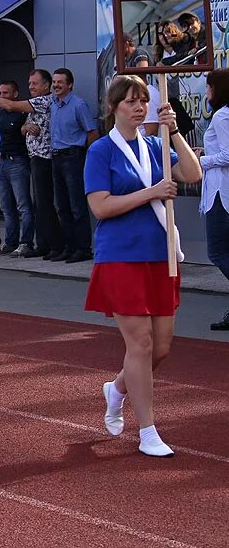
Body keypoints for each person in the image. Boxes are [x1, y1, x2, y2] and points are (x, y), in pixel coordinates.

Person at [84, 75, 200, 457]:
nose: (138, 107)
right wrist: (151, 192)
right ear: (113, 106)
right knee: (141, 342)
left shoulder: (156, 145)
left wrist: (175, 131)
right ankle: (148, 429)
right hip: (120, 256)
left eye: (143, 101)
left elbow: (192, 174)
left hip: (160, 254)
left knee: (161, 348)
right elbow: (100, 206)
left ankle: (117, 389)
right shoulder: (101, 151)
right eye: (130, 101)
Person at [0, 69, 62, 259]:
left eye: (35, 84)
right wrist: (25, 128)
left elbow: (12, 106)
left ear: (46, 85)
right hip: (24, 157)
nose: (31, 87)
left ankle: (47, 245)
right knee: (28, 205)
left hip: (42, 158)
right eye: (29, 83)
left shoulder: (44, 101)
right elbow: (23, 127)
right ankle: (37, 244)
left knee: (38, 204)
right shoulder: (27, 106)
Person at [50, 68, 99, 262]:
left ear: (69, 84)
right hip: (56, 157)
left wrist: (85, 156)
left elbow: (92, 133)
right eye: (54, 82)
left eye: (60, 82)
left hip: (73, 157)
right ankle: (69, 247)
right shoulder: (53, 104)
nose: (56, 85)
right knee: (62, 205)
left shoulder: (78, 105)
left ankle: (83, 248)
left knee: (76, 206)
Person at [198, 70, 229, 331]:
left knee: (217, 251)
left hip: (221, 193)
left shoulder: (222, 115)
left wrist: (202, 161)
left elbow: (228, 154)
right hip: (221, 189)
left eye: (209, 87)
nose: (207, 92)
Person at [0, 81, 35, 256]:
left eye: (5, 93)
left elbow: (28, 129)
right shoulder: (1, 114)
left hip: (18, 161)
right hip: (2, 161)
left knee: (23, 204)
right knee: (6, 205)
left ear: (15, 94)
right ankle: (10, 241)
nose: (1, 97)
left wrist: (24, 128)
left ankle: (26, 242)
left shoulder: (24, 113)